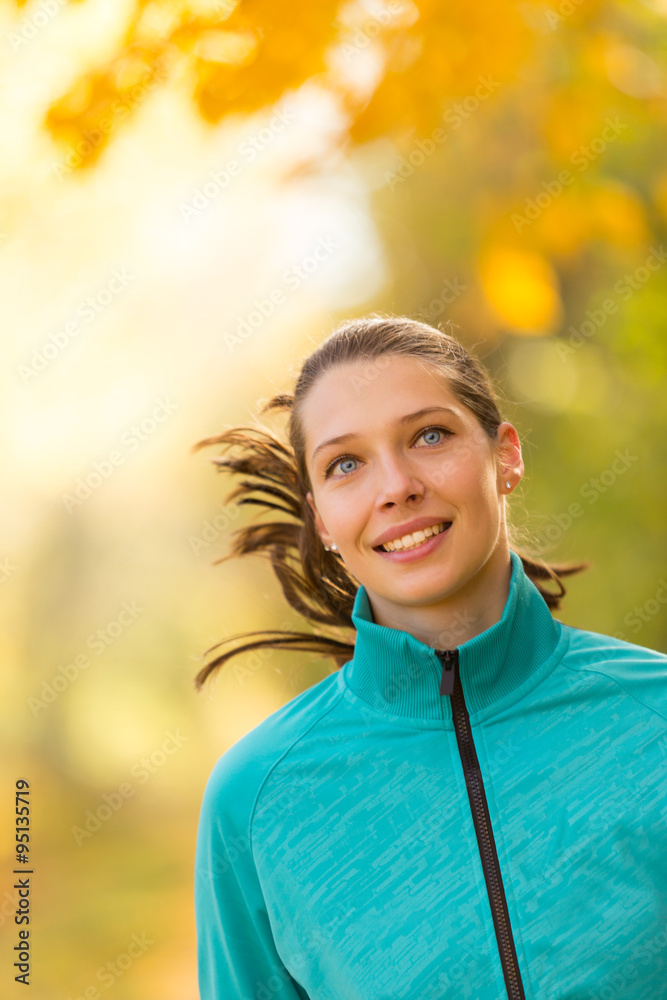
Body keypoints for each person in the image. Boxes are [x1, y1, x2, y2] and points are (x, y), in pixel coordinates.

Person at [192, 315, 667, 1000]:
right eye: (345, 464)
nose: (395, 486)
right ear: (321, 518)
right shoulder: (254, 801)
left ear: (504, 454)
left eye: (429, 436)